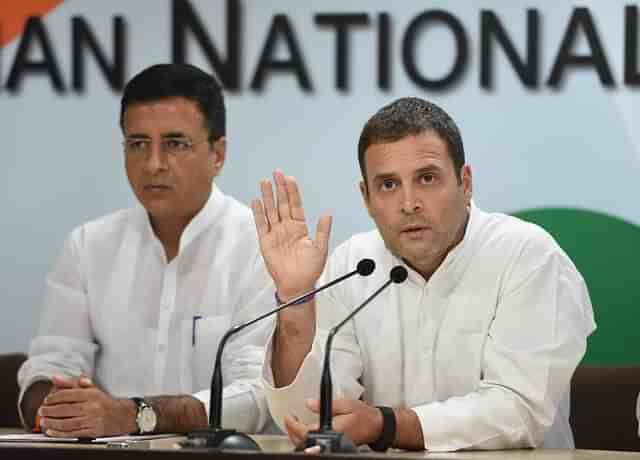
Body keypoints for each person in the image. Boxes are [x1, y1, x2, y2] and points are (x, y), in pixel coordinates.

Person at [250, 97, 596, 451]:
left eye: (427, 178)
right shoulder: (353, 264)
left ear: (466, 182)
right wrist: (295, 301)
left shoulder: (527, 255)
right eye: (388, 185)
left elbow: (519, 411)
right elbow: (310, 422)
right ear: (366, 198)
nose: (408, 203)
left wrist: (385, 425)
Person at [18, 63, 275, 438]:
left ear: (218, 154)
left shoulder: (260, 246)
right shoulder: (89, 246)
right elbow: (51, 362)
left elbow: (257, 395)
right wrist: (56, 407)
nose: (153, 164)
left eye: (175, 144)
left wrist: (137, 416)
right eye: (137, 144)